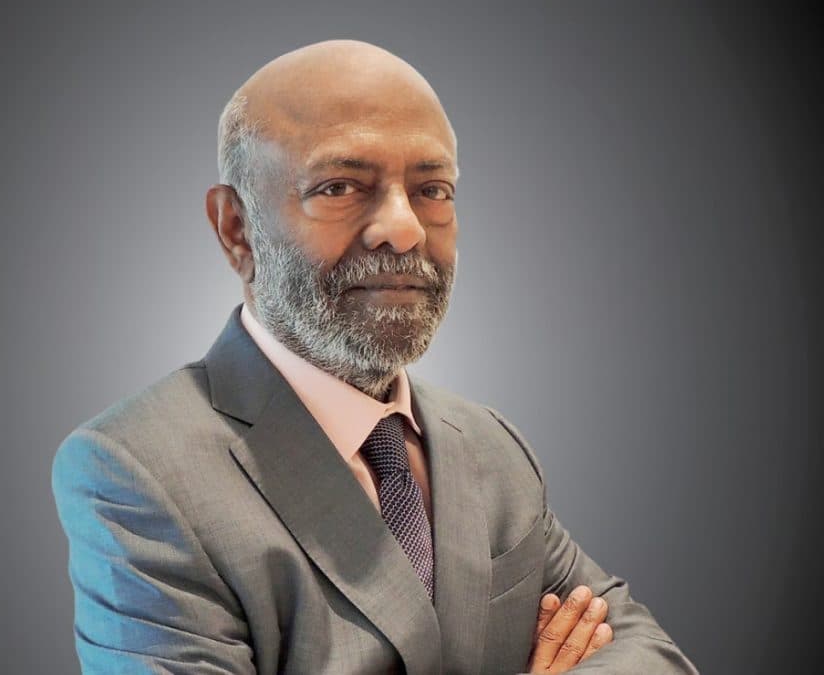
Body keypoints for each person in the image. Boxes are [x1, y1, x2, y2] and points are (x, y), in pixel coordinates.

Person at [52, 39, 698, 674]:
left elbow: (652, 655)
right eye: (339, 186)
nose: (405, 228)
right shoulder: (136, 471)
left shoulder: (493, 447)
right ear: (236, 228)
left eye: (433, 189)